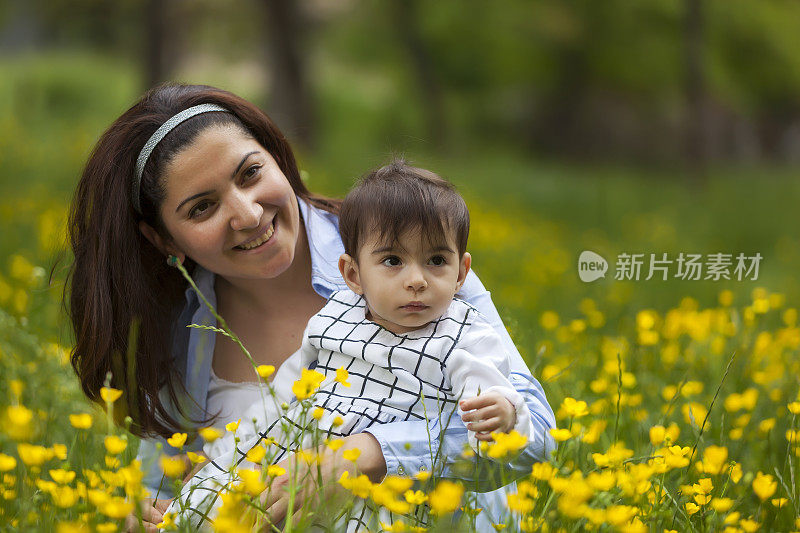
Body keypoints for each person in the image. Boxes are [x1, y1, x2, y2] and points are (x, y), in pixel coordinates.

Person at [66, 83, 556, 532]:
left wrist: (369, 454)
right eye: (202, 208)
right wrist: (145, 513)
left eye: (250, 173)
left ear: (279, 159)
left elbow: (536, 434)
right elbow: (163, 486)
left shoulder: (408, 259)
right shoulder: (175, 330)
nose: (248, 214)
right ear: (161, 238)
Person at [180, 162, 538, 529]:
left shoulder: (465, 336)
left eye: (436, 261)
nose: (417, 280)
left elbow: (492, 401)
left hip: (394, 494)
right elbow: (281, 397)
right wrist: (219, 457)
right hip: (306, 470)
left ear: (461, 272)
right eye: (392, 261)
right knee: (215, 506)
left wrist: (506, 414)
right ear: (352, 274)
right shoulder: (333, 318)